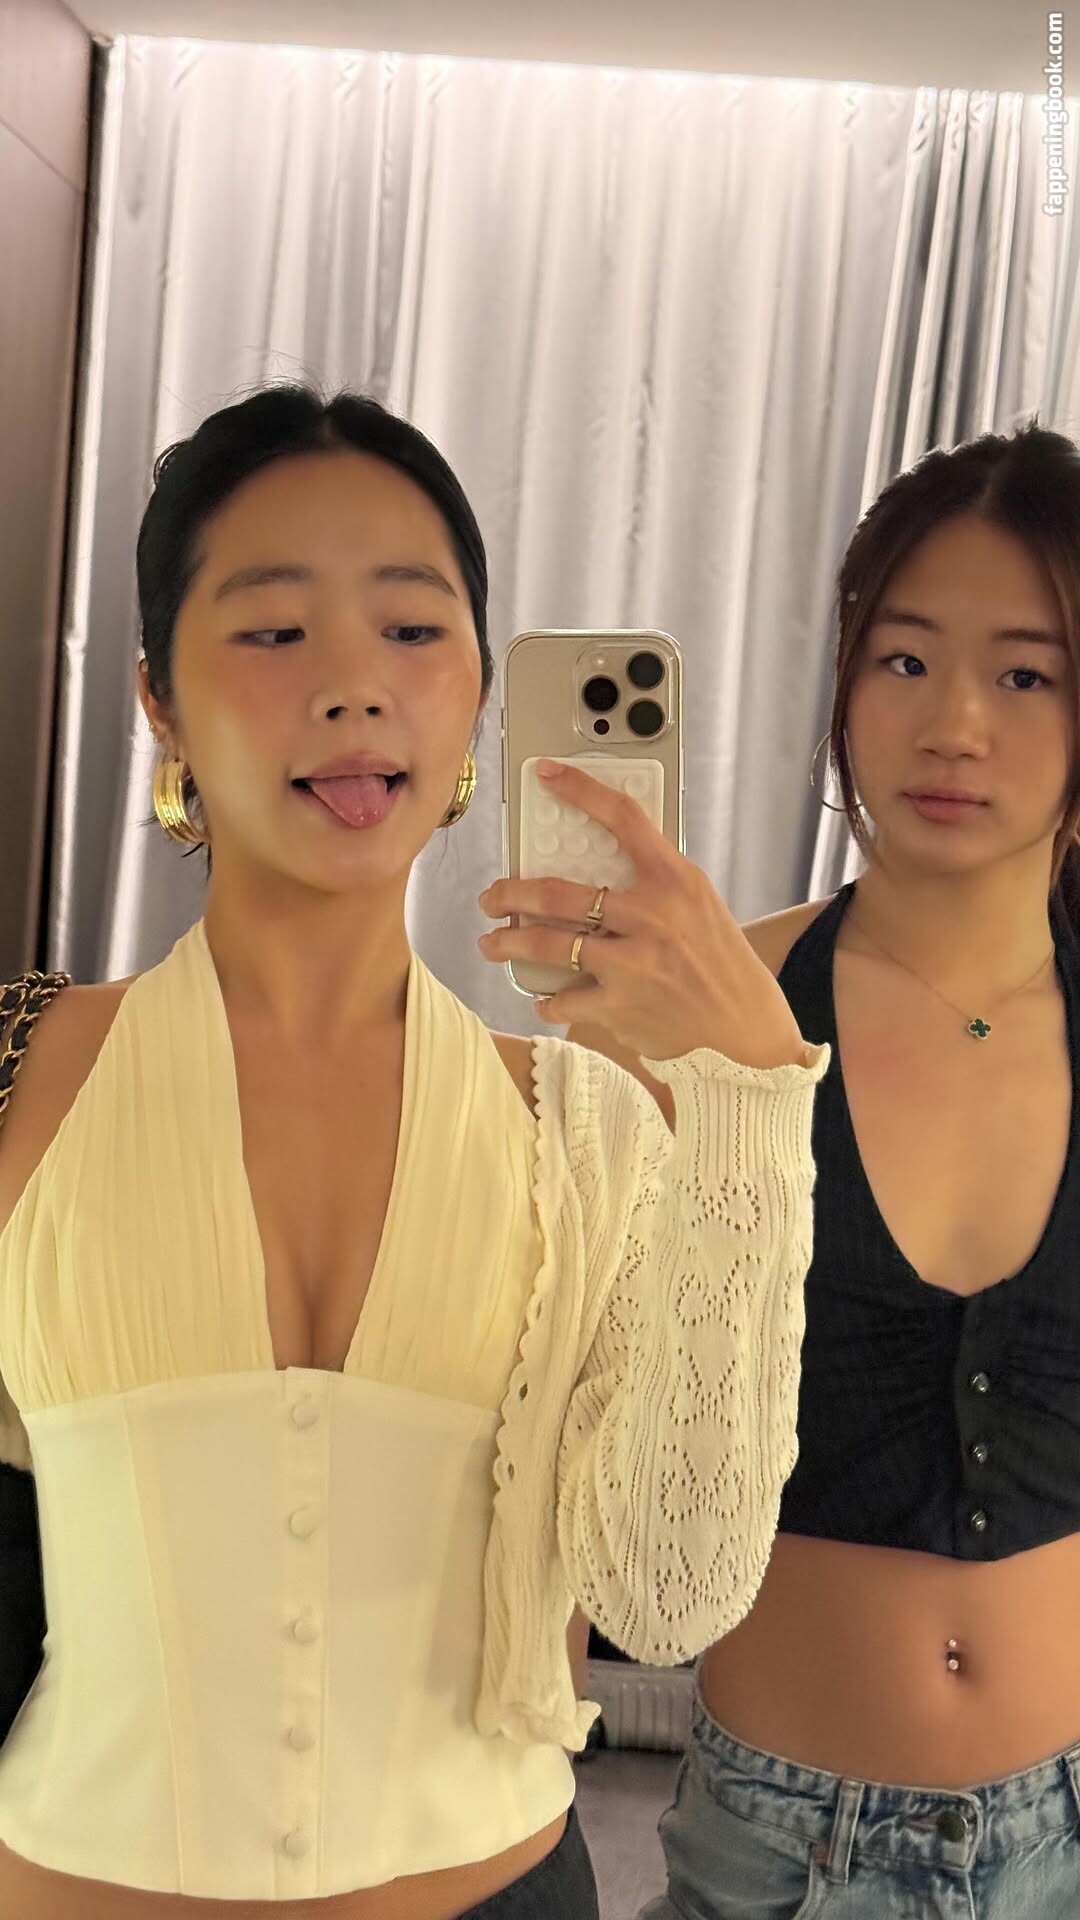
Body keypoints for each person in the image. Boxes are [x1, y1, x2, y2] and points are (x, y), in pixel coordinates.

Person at [0, 384, 828, 1920]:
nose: (353, 688)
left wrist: (751, 1100)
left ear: (478, 701)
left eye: (410, 628)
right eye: (273, 630)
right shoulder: (20, 1075)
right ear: (158, 701)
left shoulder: (584, 1126)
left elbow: (669, 1596)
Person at [574, 421, 1080, 1919]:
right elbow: (578, 1433)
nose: (955, 725)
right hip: (779, 1853)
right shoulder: (711, 1017)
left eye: (1027, 675)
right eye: (905, 659)